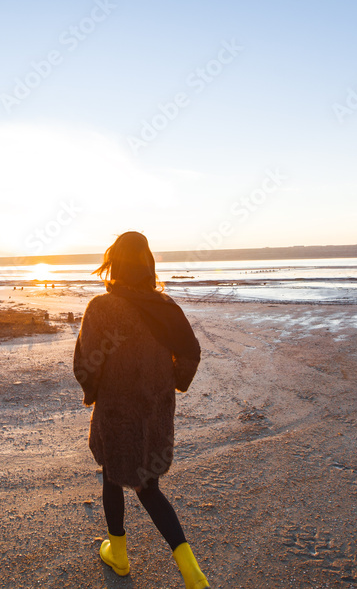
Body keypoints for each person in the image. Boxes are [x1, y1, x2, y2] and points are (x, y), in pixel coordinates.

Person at [73, 231, 209, 588]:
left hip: (117, 412)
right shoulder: (166, 308)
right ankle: (193, 573)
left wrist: (92, 394)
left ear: (115, 263)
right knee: (149, 488)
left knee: (112, 475)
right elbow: (191, 354)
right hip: (154, 413)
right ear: (148, 263)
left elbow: (86, 365)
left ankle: (118, 556)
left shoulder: (101, 308)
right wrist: (173, 382)